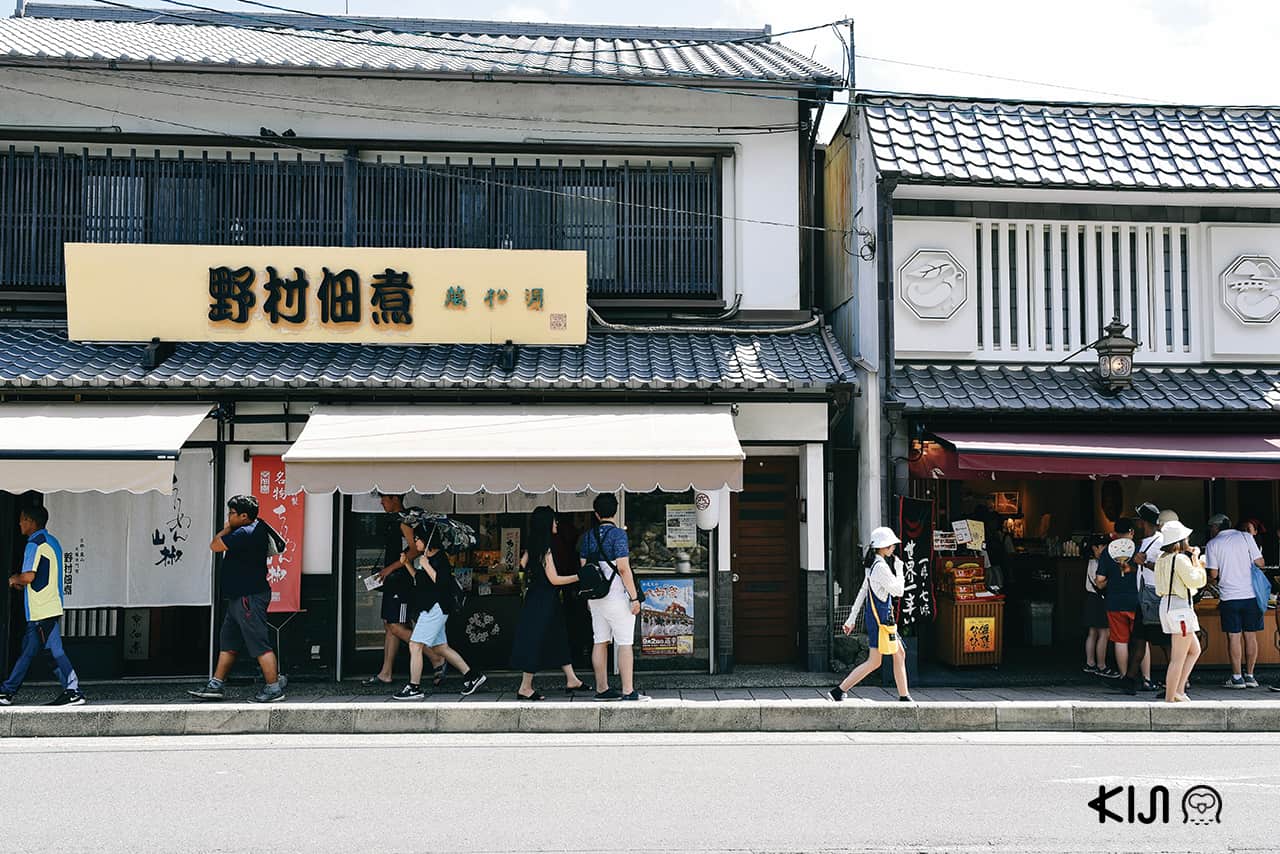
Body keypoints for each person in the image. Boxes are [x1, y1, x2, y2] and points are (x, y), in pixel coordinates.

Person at [189, 495, 287, 703]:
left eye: (232, 513)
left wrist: (226, 528)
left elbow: (215, 545)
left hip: (248, 597)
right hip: (239, 597)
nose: (229, 516)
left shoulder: (245, 532)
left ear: (244, 516)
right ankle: (216, 684)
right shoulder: (256, 527)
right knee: (229, 643)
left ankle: (273, 688)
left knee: (259, 643)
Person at [0, 506, 85, 706]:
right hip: (50, 605)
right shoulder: (52, 542)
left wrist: (13, 580)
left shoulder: (34, 544)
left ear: (31, 521)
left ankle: (73, 690)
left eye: (22, 519)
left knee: (53, 651)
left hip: (41, 610)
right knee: (31, 651)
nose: (19, 523)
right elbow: (42, 578)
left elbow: (29, 576)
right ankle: (7, 691)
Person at [393, 524, 487, 700]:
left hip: (435, 609)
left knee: (415, 645)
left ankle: (414, 687)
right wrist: (407, 564)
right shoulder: (425, 558)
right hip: (430, 608)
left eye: (417, 539)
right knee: (440, 647)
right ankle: (472, 676)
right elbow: (420, 580)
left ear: (427, 539)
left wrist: (427, 565)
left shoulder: (439, 558)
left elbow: (442, 584)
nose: (415, 543)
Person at [510, 506, 592, 700]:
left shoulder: (533, 547)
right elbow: (555, 580)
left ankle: (572, 679)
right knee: (535, 640)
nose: (557, 524)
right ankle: (525, 687)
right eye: (554, 521)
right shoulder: (545, 550)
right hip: (545, 599)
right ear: (547, 523)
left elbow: (520, 566)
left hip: (537, 598)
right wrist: (580, 576)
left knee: (558, 637)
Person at [365, 493, 444, 688]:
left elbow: (415, 549)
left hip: (401, 580)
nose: (381, 502)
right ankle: (386, 672)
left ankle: (435, 657)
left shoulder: (405, 521)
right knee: (389, 625)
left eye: (384, 498)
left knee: (396, 625)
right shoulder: (396, 520)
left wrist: (389, 569)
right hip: (394, 580)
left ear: (395, 498)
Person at [830, 526, 911, 702]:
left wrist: (851, 619)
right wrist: (899, 570)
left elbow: (862, 592)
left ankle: (904, 696)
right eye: (891, 545)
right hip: (882, 621)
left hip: (877, 620)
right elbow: (899, 591)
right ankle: (839, 690)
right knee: (877, 660)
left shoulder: (873, 565)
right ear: (884, 547)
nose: (893, 548)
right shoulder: (881, 567)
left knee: (895, 655)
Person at [579, 493, 646, 701]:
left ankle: (602, 689)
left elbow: (584, 569)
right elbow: (624, 569)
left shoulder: (588, 536)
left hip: (596, 597)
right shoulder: (618, 535)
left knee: (600, 641)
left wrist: (590, 598)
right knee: (624, 643)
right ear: (615, 511)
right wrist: (634, 598)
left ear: (596, 513)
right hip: (617, 596)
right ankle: (628, 690)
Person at [1205, 513, 1266, 689]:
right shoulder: (1246, 537)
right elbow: (1260, 562)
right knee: (1250, 635)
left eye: (1212, 528)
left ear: (1216, 527)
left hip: (1229, 597)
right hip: (1251, 595)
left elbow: (1214, 574)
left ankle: (1237, 677)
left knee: (1233, 637)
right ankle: (1251, 676)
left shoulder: (1213, 544)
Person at [1154, 520, 1206, 703]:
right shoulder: (1180, 559)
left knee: (1194, 650)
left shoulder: (1162, 560)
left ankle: (1179, 690)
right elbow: (1196, 582)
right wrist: (1198, 563)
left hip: (1168, 606)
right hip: (1180, 609)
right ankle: (1171, 697)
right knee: (1178, 657)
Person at [1093, 518, 1138, 681]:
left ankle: (1124, 676)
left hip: (1114, 601)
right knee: (1141, 640)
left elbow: (1099, 581)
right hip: (1136, 601)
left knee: (1121, 640)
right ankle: (1146, 677)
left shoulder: (1107, 553)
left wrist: (1108, 582)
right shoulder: (1138, 551)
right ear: (1132, 532)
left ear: (1115, 533)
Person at [1082, 534, 1118, 678]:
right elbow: (1100, 583)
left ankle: (1090, 663)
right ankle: (1101, 665)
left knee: (1092, 633)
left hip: (1091, 599)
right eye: (1104, 546)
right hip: (1100, 599)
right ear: (1095, 547)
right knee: (1104, 633)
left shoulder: (1091, 562)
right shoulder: (1098, 563)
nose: (1107, 549)